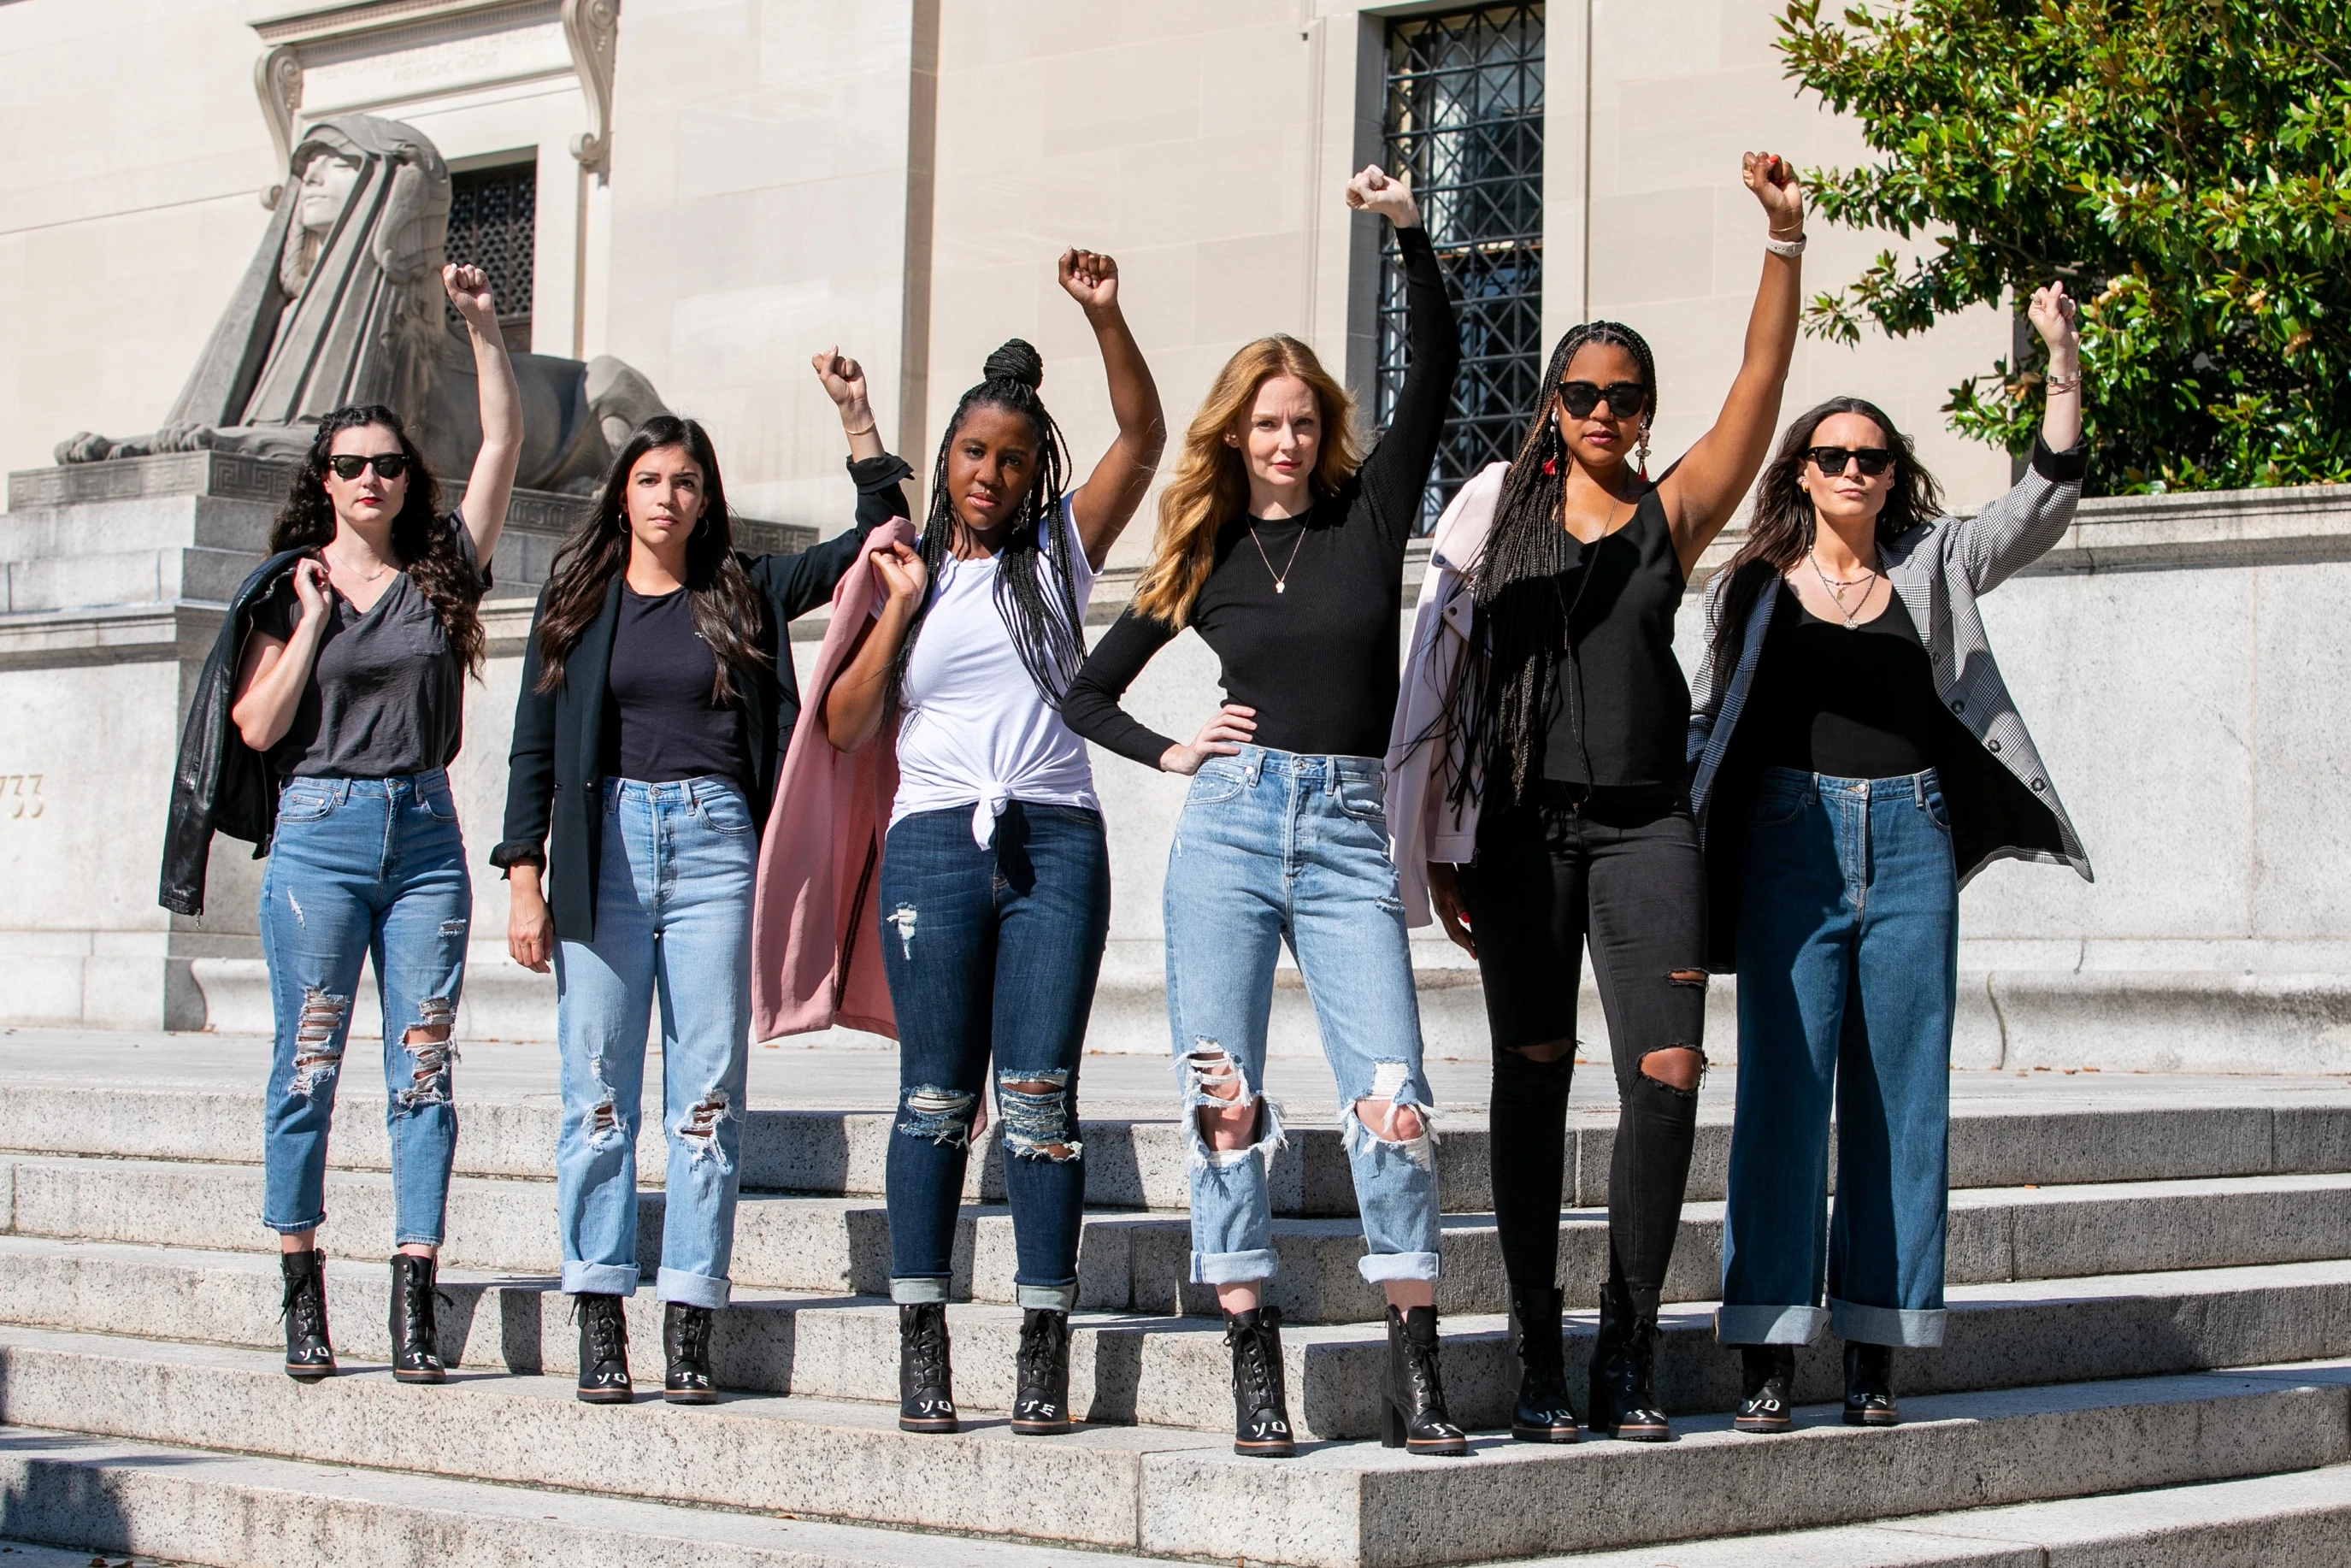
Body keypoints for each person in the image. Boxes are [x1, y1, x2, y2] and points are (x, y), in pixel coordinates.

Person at [1061, 166, 1464, 1459]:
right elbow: (1083, 691)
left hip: (1346, 831)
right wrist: (1175, 748)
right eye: (1265, 422)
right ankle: (1251, 1360)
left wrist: (1407, 234)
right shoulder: (1204, 555)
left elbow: (1442, 363)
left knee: (1393, 1095)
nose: (1285, 439)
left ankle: (1419, 1376)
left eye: (1300, 419)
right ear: (1234, 434)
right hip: (1229, 830)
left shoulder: (1368, 510)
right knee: (1221, 1098)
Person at [1417, 152, 1806, 1443]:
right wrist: (1440, 843)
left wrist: (1782, 242)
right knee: (1531, 1080)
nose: (1600, 410)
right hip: (1525, 833)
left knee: (1670, 1071)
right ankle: (1537, 1345)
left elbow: (1759, 393)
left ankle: (1625, 1344)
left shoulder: (1669, 515)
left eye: (1623, 396)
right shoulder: (1497, 520)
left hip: (1649, 824)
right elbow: (1437, 682)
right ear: (1552, 402)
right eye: (1579, 392)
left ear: (1644, 410)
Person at [1693, 286, 2091, 1432]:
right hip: (1788, 846)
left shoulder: (1937, 563)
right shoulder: (1753, 589)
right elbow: (1712, 726)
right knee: (1781, 1094)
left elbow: (2044, 500)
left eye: (1872, 456)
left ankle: (1875, 1341)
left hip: (1910, 841)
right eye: (1833, 456)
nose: (1855, 472)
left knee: (1899, 1099)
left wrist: (2060, 359)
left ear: (1890, 473)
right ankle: (1766, 1342)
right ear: (1800, 475)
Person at [493, 404, 905, 1405]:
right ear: (622, 494)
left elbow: (883, 537)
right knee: (594, 1093)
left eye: (685, 481)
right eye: (649, 480)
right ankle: (598, 1307)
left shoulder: (745, 590)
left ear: (705, 496)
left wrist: (854, 424)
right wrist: (523, 875)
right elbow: (533, 744)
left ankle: (688, 1315)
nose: (667, 497)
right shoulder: (580, 595)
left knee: (706, 1100)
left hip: (718, 847)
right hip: (605, 852)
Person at [816, 250, 1162, 1436]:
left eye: (1012, 460)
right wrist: (901, 605)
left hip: (1053, 839)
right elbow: (848, 721)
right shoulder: (900, 569)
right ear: (948, 458)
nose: (990, 473)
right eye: (972, 453)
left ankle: (1039, 1345)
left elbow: (1144, 434)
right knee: (930, 1100)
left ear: (1031, 476)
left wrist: (1104, 318)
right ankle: (923, 1348)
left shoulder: (1059, 553)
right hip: (930, 849)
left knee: (1038, 1102)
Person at [224, 263, 520, 1384]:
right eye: (350, 464)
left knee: (424, 1067)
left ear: (405, 479)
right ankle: (304, 1289)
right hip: (318, 837)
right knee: (306, 1066)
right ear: (325, 477)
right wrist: (306, 627)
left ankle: (412, 1289)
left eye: (387, 464)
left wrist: (484, 329)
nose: (369, 479)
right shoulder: (284, 584)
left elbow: (499, 446)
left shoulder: (440, 572)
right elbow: (257, 727)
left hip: (424, 839)